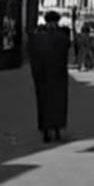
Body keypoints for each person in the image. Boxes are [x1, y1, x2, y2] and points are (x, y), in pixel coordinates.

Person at [30, 11, 71, 143]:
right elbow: (67, 48)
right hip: (59, 76)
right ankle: (57, 129)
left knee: (44, 103)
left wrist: (36, 74)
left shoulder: (39, 38)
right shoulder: (62, 37)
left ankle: (46, 130)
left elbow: (33, 56)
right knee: (59, 103)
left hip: (43, 76)